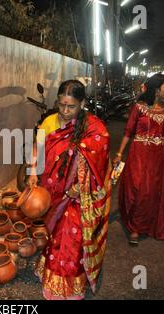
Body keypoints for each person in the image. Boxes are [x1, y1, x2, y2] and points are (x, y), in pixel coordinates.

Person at [28, 80, 112, 300]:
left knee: (71, 241)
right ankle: (51, 277)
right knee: (53, 236)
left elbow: (100, 161)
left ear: (82, 103)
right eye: (61, 104)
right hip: (52, 191)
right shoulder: (48, 122)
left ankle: (69, 287)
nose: (65, 111)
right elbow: (38, 147)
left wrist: (79, 186)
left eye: (71, 106)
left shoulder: (94, 129)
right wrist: (33, 173)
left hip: (78, 197)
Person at [114, 73, 164, 245]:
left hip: (160, 155)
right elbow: (128, 131)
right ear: (157, 89)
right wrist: (119, 154)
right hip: (140, 154)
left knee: (155, 190)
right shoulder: (139, 107)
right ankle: (135, 227)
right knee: (139, 188)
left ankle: (149, 224)